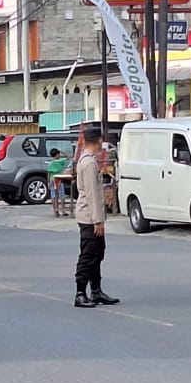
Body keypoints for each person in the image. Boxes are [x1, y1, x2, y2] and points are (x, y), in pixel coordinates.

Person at [74, 125, 118, 308]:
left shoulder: (85, 160)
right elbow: (92, 194)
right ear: (99, 140)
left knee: (98, 254)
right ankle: (80, 293)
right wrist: (98, 220)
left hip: (90, 215)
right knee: (88, 255)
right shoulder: (89, 163)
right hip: (89, 217)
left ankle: (96, 291)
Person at [46, 147, 71, 217]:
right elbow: (69, 157)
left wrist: (48, 182)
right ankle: (63, 210)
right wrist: (62, 151)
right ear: (57, 154)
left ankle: (55, 211)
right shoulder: (61, 161)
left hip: (52, 180)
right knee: (61, 195)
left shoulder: (50, 163)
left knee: (54, 196)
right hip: (59, 179)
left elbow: (49, 174)